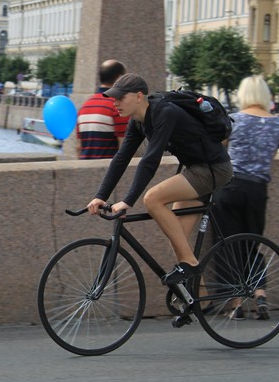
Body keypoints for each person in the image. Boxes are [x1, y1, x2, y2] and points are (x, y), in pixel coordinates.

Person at [85, 73, 233, 286]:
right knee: (177, 238)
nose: (115, 103)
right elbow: (121, 159)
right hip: (196, 169)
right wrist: (100, 196)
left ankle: (190, 264)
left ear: (138, 96)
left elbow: (150, 160)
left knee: (153, 198)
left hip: (214, 169)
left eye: (120, 98)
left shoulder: (165, 112)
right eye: (114, 98)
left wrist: (128, 201)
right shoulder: (138, 122)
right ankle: (198, 302)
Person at [211, 75, 279, 320]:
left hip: (230, 187)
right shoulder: (278, 124)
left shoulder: (233, 120)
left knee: (228, 244)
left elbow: (220, 151)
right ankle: (261, 294)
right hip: (257, 190)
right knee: (252, 243)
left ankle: (237, 303)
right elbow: (269, 158)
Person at [76, 59, 129, 159]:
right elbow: (125, 149)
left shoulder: (85, 107)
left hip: (86, 170)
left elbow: (79, 147)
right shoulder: (118, 106)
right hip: (110, 171)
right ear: (119, 78)